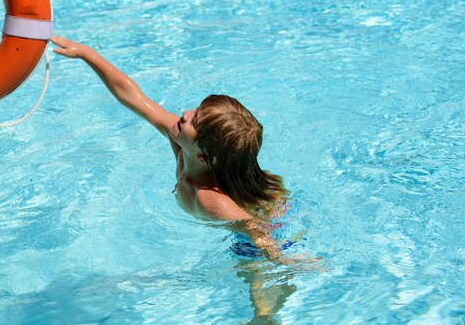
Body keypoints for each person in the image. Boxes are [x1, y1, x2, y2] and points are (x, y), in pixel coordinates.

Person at [50, 35, 308, 266]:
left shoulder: (209, 199)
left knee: (255, 284)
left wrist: (286, 260)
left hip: (263, 232)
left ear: (204, 156)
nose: (185, 114)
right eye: (196, 111)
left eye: (194, 121)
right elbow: (132, 96)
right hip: (251, 218)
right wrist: (88, 54)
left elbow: (254, 229)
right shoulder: (181, 141)